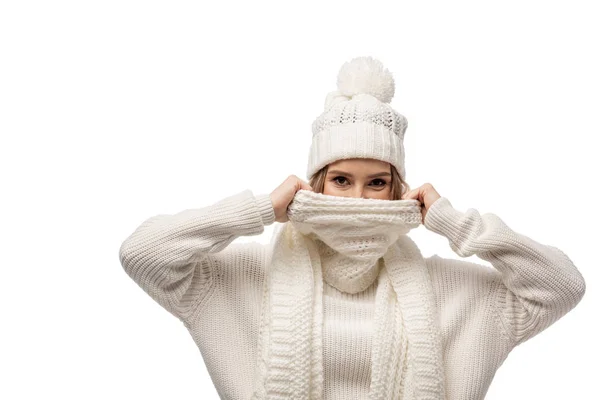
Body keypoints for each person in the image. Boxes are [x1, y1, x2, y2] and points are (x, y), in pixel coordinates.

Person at [118, 56, 586, 400]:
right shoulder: (240, 278)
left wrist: (456, 223)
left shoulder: (453, 289)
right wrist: (260, 210)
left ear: (398, 191)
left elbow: (562, 286)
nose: (359, 200)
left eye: (377, 183)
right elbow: (143, 254)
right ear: (315, 183)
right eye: (341, 180)